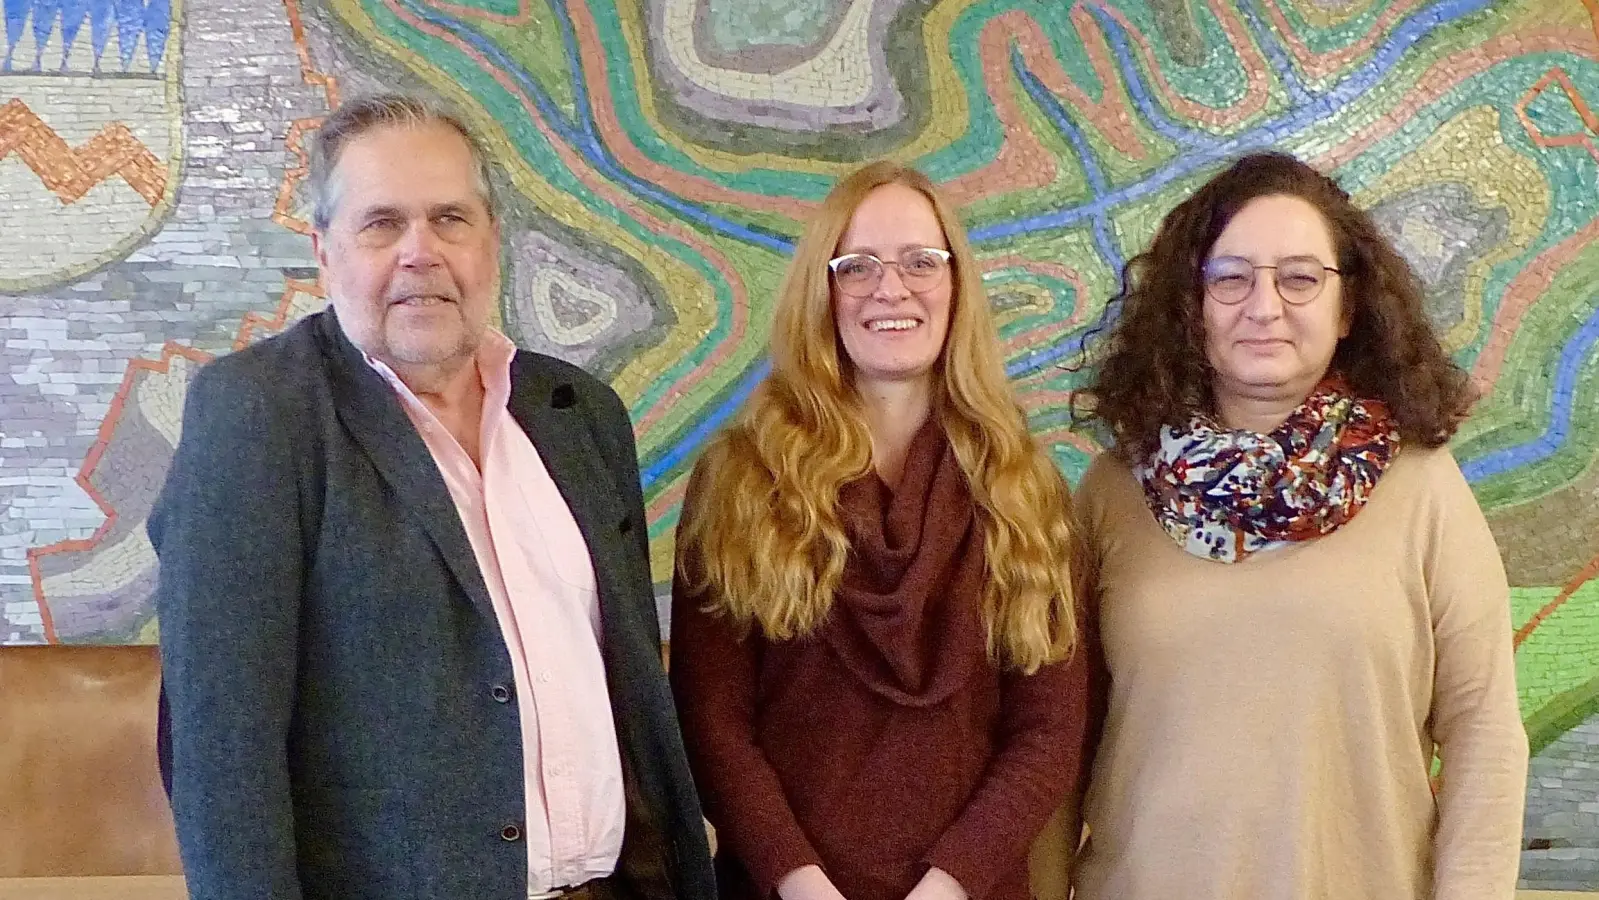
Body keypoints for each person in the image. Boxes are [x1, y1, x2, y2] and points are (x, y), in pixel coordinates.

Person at [151, 93, 716, 900]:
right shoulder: (258, 416)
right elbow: (220, 755)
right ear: (324, 251)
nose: (421, 252)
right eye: (382, 224)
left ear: (491, 241)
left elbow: (628, 688)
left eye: (450, 218)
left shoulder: (580, 415)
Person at [1071, 151, 1529, 899]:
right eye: (1229, 277)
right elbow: (1054, 742)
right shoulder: (1110, 493)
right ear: (1191, 305)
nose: (1263, 305)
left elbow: (1483, 732)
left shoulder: (1422, 487)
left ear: (1346, 308)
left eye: (1299, 278)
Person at [667, 161, 1103, 900]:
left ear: (956, 285)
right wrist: (800, 884)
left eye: (919, 263)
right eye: (857, 265)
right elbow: (712, 723)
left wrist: (948, 885)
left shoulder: (1024, 491)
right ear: (822, 290)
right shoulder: (739, 482)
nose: (890, 288)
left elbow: (1047, 732)